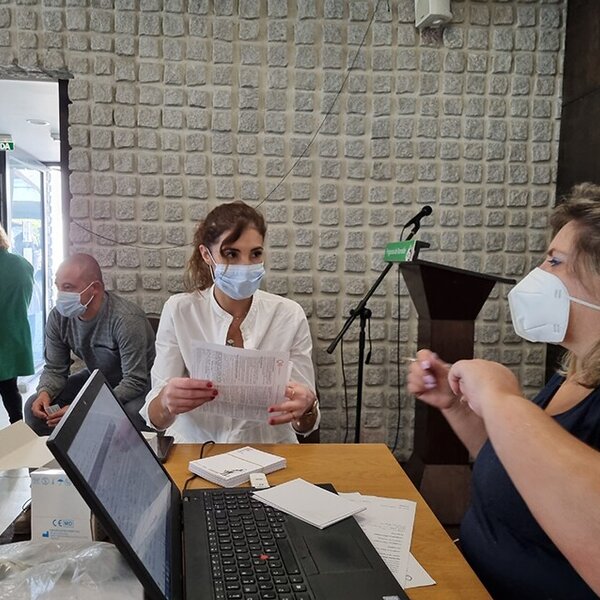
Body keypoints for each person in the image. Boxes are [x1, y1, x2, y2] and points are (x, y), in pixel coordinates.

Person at [408, 183, 600, 599]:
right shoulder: (575, 373)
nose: (538, 274)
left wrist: (502, 400)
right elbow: (516, 466)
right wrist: (455, 405)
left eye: (555, 261)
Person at [141, 201, 320, 443]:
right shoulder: (180, 310)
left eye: (255, 254)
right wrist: (165, 401)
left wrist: (306, 408)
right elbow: (155, 419)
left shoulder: (289, 315)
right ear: (207, 254)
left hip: (268, 450)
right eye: (231, 254)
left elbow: (305, 424)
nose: (245, 265)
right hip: (195, 449)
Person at [25, 253, 156, 434]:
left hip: (141, 384)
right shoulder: (58, 317)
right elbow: (55, 369)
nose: (60, 295)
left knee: (131, 415)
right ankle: (63, 451)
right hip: (98, 377)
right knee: (33, 409)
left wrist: (83, 408)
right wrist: (44, 393)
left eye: (68, 287)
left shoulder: (126, 319)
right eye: (58, 287)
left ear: (95, 288)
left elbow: (135, 381)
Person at [0, 224, 34, 424]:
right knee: (9, 390)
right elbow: (25, 301)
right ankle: (19, 431)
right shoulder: (23, 265)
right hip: (13, 338)